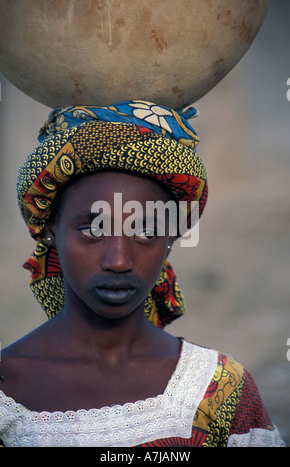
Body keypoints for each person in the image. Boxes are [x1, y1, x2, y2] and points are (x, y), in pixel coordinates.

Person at [0, 102, 285, 447]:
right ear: (49, 229)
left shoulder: (220, 387)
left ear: (171, 238)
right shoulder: (7, 390)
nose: (119, 260)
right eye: (92, 230)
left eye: (146, 231)